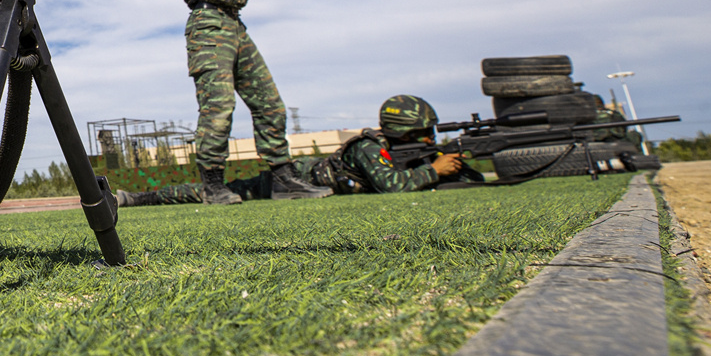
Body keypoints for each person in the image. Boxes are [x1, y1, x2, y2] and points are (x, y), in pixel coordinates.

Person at [177, 0, 341, 203]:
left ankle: (285, 178)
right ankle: (213, 184)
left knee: (270, 106)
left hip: (234, 25)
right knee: (219, 108)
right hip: (208, 24)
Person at [115, 94, 476, 206]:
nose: (429, 140)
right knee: (199, 194)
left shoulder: (397, 151)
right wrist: (434, 171)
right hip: (286, 183)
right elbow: (391, 186)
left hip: (299, 183)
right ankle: (135, 199)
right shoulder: (369, 147)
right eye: (423, 133)